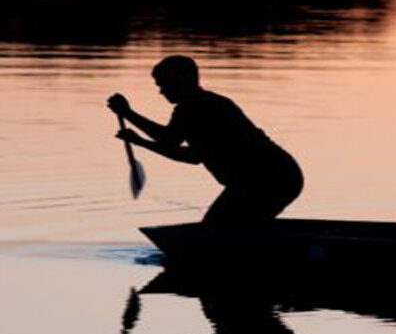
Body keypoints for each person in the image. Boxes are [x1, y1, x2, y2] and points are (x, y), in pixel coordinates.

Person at [107, 55, 304, 223]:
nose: (161, 91)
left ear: (179, 81)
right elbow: (191, 155)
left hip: (267, 179)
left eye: (163, 85)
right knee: (231, 228)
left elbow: (169, 140)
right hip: (276, 177)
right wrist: (136, 132)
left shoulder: (196, 108)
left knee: (216, 230)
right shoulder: (201, 104)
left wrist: (129, 117)